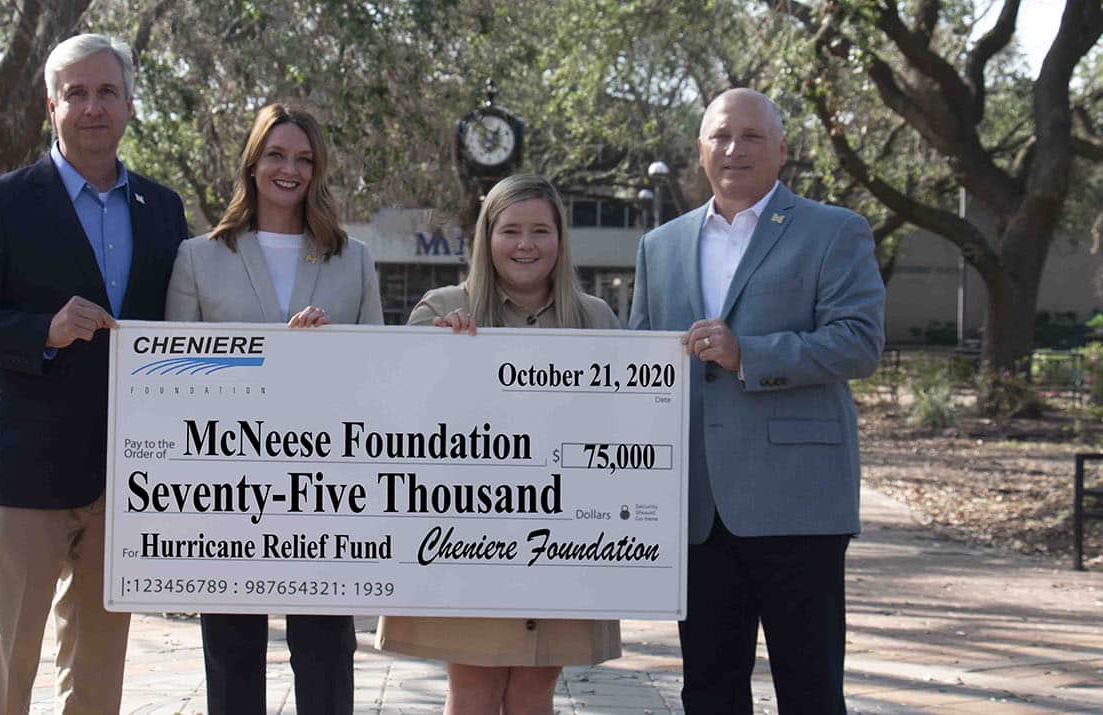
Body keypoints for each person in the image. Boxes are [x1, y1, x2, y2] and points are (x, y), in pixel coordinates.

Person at [0, 34, 188, 713]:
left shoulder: (161, 209)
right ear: (52, 105)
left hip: (124, 474)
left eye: (106, 92)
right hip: (22, 475)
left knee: (99, 667)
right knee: (7, 663)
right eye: (77, 92)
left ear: (130, 105)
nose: (92, 106)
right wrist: (43, 327)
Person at [629, 88, 886, 713]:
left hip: (799, 502)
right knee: (709, 689)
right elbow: (639, 365)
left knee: (810, 687)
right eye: (720, 136)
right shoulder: (659, 246)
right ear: (700, 149)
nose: (734, 150)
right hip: (698, 507)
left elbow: (859, 343)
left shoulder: (835, 231)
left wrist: (750, 354)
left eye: (751, 137)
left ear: (782, 150)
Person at [376, 174, 622, 715]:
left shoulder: (595, 319)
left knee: (534, 692)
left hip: (563, 539)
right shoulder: (441, 309)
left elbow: (617, 430)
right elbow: (402, 425)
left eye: (540, 230)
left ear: (561, 239)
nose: (526, 244)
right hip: (468, 539)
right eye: (510, 230)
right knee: (475, 690)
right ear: (487, 239)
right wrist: (443, 359)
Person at [165, 102, 381, 714]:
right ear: (253, 162)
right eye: (278, 154)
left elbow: (377, 379)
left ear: (318, 170)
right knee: (231, 654)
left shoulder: (353, 257)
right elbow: (176, 380)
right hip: (228, 490)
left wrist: (320, 362)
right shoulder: (197, 257)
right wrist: (267, 359)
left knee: (327, 652)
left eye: (304, 159)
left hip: (327, 489)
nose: (290, 169)